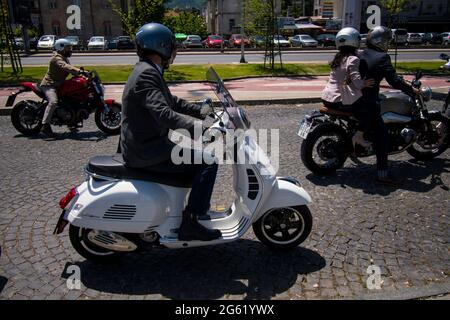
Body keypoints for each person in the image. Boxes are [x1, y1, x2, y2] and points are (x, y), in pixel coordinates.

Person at [120, 22, 221, 241]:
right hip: (146, 150)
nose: (174, 53)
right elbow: (164, 114)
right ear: (162, 47)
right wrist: (202, 131)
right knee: (208, 161)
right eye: (173, 48)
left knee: (195, 157)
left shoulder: (146, 70)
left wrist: (203, 111)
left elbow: (171, 101)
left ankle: (182, 211)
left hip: (145, 145)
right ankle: (191, 222)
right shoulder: (147, 74)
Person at [359, 26, 419, 186]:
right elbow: (394, 81)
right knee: (382, 136)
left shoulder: (361, 53)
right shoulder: (383, 57)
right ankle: (382, 174)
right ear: (382, 42)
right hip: (368, 101)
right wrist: (411, 89)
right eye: (388, 41)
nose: (389, 44)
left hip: (353, 97)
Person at [321, 27, 375, 149]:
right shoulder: (353, 59)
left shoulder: (338, 58)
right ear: (355, 42)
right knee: (369, 109)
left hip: (326, 97)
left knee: (357, 107)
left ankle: (351, 130)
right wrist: (364, 84)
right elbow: (356, 80)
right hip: (338, 100)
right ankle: (359, 136)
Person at [40, 39, 85, 137]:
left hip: (59, 84)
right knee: (53, 102)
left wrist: (83, 75)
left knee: (72, 97)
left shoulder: (64, 58)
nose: (70, 50)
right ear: (61, 48)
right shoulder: (57, 59)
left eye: (70, 48)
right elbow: (65, 67)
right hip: (49, 85)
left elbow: (71, 70)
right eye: (68, 48)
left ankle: (71, 121)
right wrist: (79, 71)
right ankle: (45, 125)